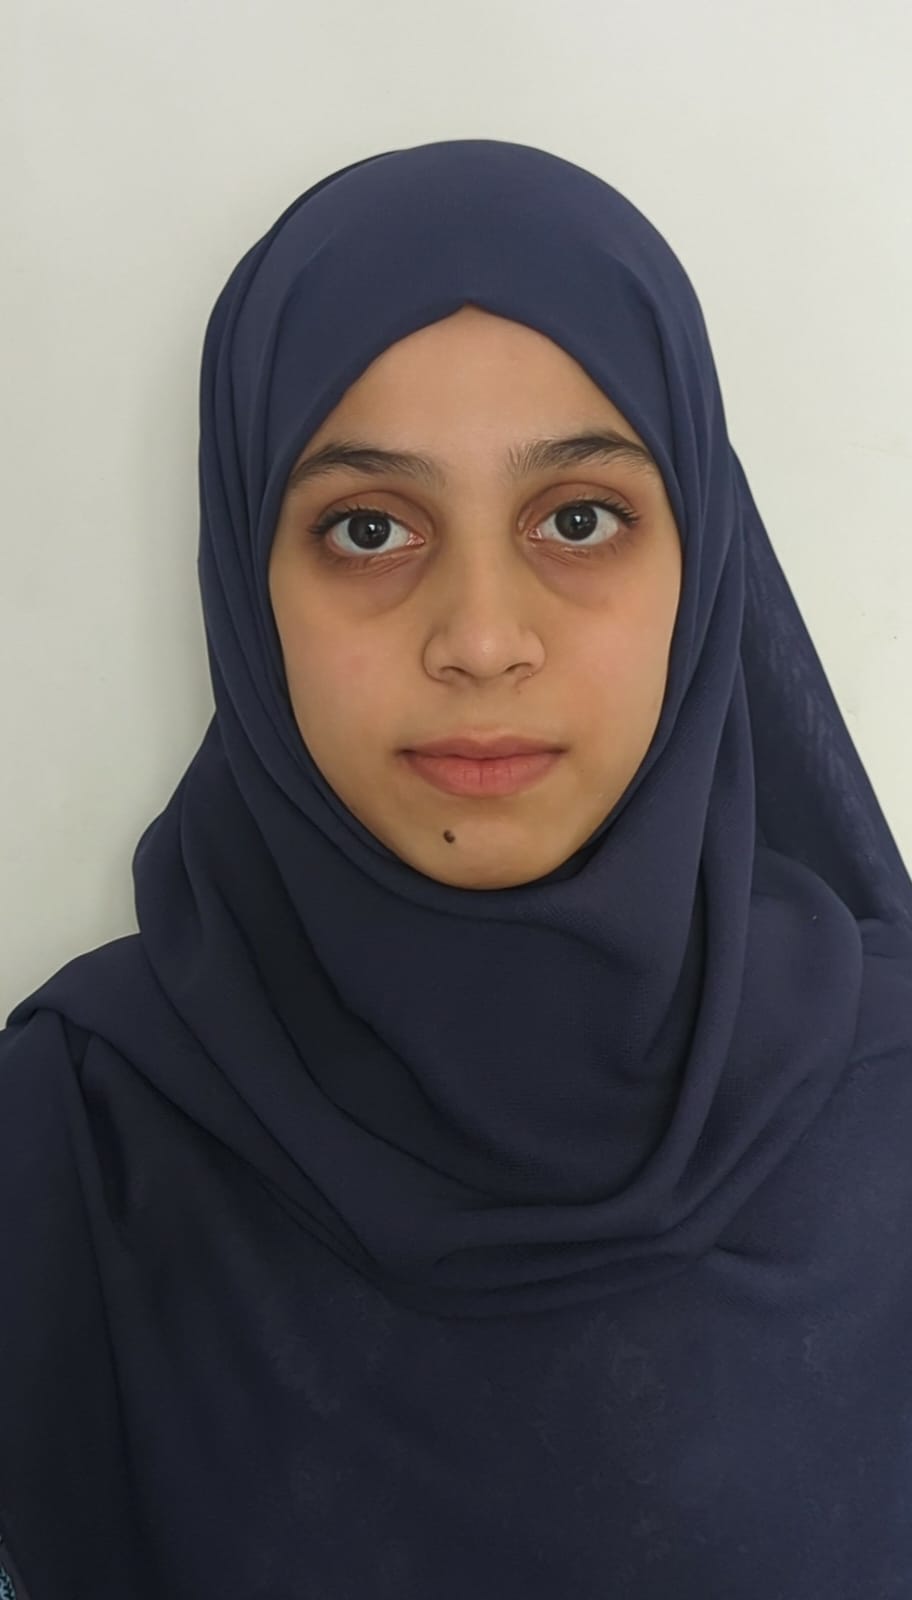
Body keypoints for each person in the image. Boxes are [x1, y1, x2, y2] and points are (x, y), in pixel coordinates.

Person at [1, 137, 911, 1600]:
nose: (482, 639)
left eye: (579, 519)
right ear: (247, 580)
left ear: (702, 568)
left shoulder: (893, 1097)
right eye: (369, 529)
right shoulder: (70, 1146)